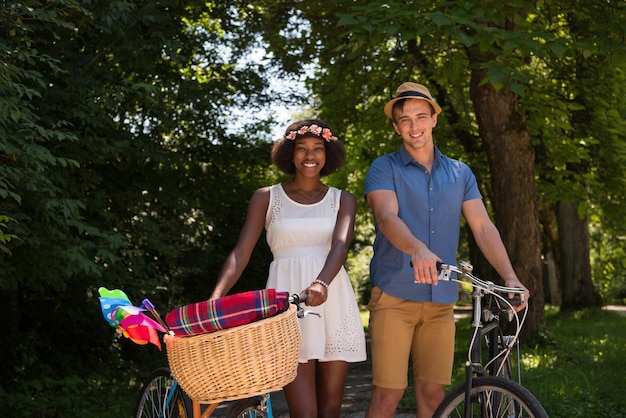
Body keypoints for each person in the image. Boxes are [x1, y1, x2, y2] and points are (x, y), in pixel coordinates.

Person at [363, 82, 530, 418]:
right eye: (405, 120)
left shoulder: (460, 172)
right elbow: (385, 216)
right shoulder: (384, 168)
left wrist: (510, 276)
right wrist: (417, 248)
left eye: (421, 117)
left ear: (434, 119)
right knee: (388, 395)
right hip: (395, 296)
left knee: (432, 394)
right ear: (396, 127)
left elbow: (483, 227)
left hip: (441, 301)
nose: (414, 126)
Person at [209, 119, 366, 418]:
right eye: (302, 148)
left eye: (318, 149)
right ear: (289, 154)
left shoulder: (343, 200)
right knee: (304, 412)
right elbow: (241, 252)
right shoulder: (266, 197)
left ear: (327, 155)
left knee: (331, 409)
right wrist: (215, 298)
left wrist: (321, 283)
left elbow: (340, 246)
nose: (310, 155)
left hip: (332, 297)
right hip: (286, 305)